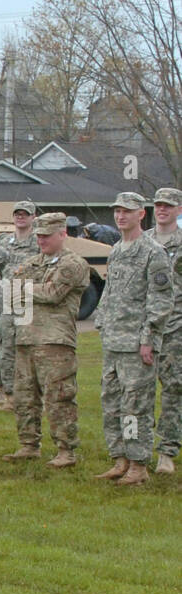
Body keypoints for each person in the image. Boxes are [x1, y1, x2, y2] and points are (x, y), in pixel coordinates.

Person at [93, 192, 171, 485]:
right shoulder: (116, 250)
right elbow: (109, 292)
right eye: (117, 211)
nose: (120, 216)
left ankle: (138, 465)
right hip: (113, 342)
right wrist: (101, 321)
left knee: (135, 407)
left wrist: (148, 338)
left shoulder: (153, 252)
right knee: (112, 403)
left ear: (141, 214)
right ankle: (120, 458)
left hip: (137, 344)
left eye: (127, 211)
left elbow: (161, 300)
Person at [4, 212, 89, 467]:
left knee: (59, 396)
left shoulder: (72, 263)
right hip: (26, 338)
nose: (41, 240)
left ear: (62, 234)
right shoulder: (31, 263)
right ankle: (29, 444)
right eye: (38, 236)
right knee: (24, 396)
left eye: (46, 236)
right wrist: (27, 289)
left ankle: (66, 449)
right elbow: (9, 290)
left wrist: (25, 290)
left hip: (55, 340)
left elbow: (54, 293)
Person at [145, 187, 182, 473]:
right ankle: (135, 449)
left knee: (173, 388)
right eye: (158, 205)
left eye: (168, 206)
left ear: (178, 210)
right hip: (145, 328)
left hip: (176, 328)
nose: (162, 210)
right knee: (137, 390)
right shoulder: (143, 242)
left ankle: (167, 451)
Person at [0, 201, 39, 411]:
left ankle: (37, 396)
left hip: (29, 302)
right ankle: (10, 397)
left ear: (33, 217)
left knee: (30, 349)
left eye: (25, 214)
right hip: (7, 301)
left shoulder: (39, 241)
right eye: (17, 214)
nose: (21, 217)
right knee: (6, 348)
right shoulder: (3, 241)